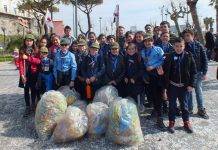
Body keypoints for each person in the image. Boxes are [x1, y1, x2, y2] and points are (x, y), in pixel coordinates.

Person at [163, 37, 197, 133]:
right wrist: (165, 87)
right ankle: (171, 123)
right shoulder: (169, 56)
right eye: (176, 46)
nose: (178, 48)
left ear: (184, 46)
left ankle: (186, 122)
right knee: (172, 106)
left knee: (184, 106)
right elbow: (165, 72)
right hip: (172, 86)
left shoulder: (188, 55)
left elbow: (193, 71)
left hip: (184, 87)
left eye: (181, 46)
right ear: (173, 46)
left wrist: (191, 84)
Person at [140, 33, 166, 130]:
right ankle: (155, 111)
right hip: (148, 76)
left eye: (149, 41)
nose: (148, 43)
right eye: (146, 41)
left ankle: (160, 118)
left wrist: (153, 66)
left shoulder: (158, 49)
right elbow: (143, 63)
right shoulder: (143, 52)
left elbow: (163, 60)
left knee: (159, 96)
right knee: (151, 96)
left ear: (152, 41)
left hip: (157, 74)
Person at [182, 28, 209, 119]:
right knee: (188, 91)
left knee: (198, 90)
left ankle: (201, 108)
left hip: (198, 72)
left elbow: (205, 59)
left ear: (192, 36)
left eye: (188, 35)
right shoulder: (183, 46)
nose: (186, 38)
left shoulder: (199, 45)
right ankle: (189, 108)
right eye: (185, 36)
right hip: (188, 73)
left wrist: (204, 72)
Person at [18, 34, 41, 117]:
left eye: (30, 41)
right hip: (25, 73)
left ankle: (33, 105)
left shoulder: (36, 50)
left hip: (33, 73)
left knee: (33, 89)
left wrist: (28, 58)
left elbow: (38, 61)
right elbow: (20, 63)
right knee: (26, 90)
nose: (29, 42)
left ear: (33, 41)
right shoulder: (22, 50)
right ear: (25, 41)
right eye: (27, 40)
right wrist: (22, 75)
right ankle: (27, 107)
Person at [124, 43, 144, 110]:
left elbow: (141, 70)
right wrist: (126, 76)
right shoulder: (126, 57)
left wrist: (134, 78)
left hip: (136, 81)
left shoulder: (138, 57)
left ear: (136, 50)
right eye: (129, 49)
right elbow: (125, 69)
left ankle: (137, 110)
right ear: (126, 50)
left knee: (136, 97)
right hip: (128, 81)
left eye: (133, 49)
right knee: (129, 96)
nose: (131, 50)